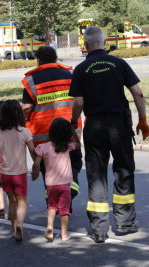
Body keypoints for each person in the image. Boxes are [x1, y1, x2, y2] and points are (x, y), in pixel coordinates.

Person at [69, 26, 149, 243]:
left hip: (94, 126)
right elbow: (138, 92)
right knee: (123, 170)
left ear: (85, 46)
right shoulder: (119, 63)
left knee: (96, 175)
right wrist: (143, 119)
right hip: (119, 126)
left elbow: (78, 102)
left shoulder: (81, 69)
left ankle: (99, 229)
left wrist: (71, 122)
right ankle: (125, 222)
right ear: (104, 42)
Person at [21, 46, 83, 214]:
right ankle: (71, 191)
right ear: (55, 58)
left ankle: (53, 204)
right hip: (70, 131)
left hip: (43, 135)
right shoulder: (69, 75)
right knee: (74, 163)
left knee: (48, 170)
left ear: (39, 60)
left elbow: (26, 108)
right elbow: (79, 100)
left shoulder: (31, 80)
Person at [0, 100, 36, 242]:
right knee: (22, 202)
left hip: (5, 174)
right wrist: (36, 166)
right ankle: (20, 224)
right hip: (19, 174)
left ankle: (14, 229)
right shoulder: (24, 132)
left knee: (12, 201)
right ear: (19, 114)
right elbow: (32, 151)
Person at [32, 118, 81, 242]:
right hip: (65, 185)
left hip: (50, 185)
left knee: (52, 206)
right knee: (64, 210)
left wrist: (35, 172)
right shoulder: (67, 147)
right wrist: (72, 130)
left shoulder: (43, 147)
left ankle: (49, 227)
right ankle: (64, 235)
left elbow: (37, 163)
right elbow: (78, 144)